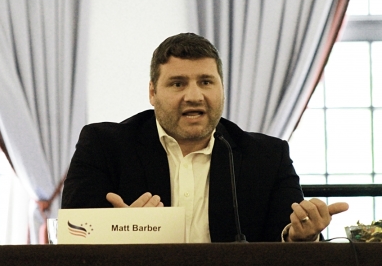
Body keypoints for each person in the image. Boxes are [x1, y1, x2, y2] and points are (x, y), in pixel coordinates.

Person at [61, 33, 348, 243]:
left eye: (206, 82)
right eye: (177, 83)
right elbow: (74, 232)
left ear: (222, 89)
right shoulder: (103, 145)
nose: (194, 96)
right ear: (152, 92)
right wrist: (120, 232)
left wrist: (301, 237)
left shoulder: (267, 156)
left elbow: (289, 234)